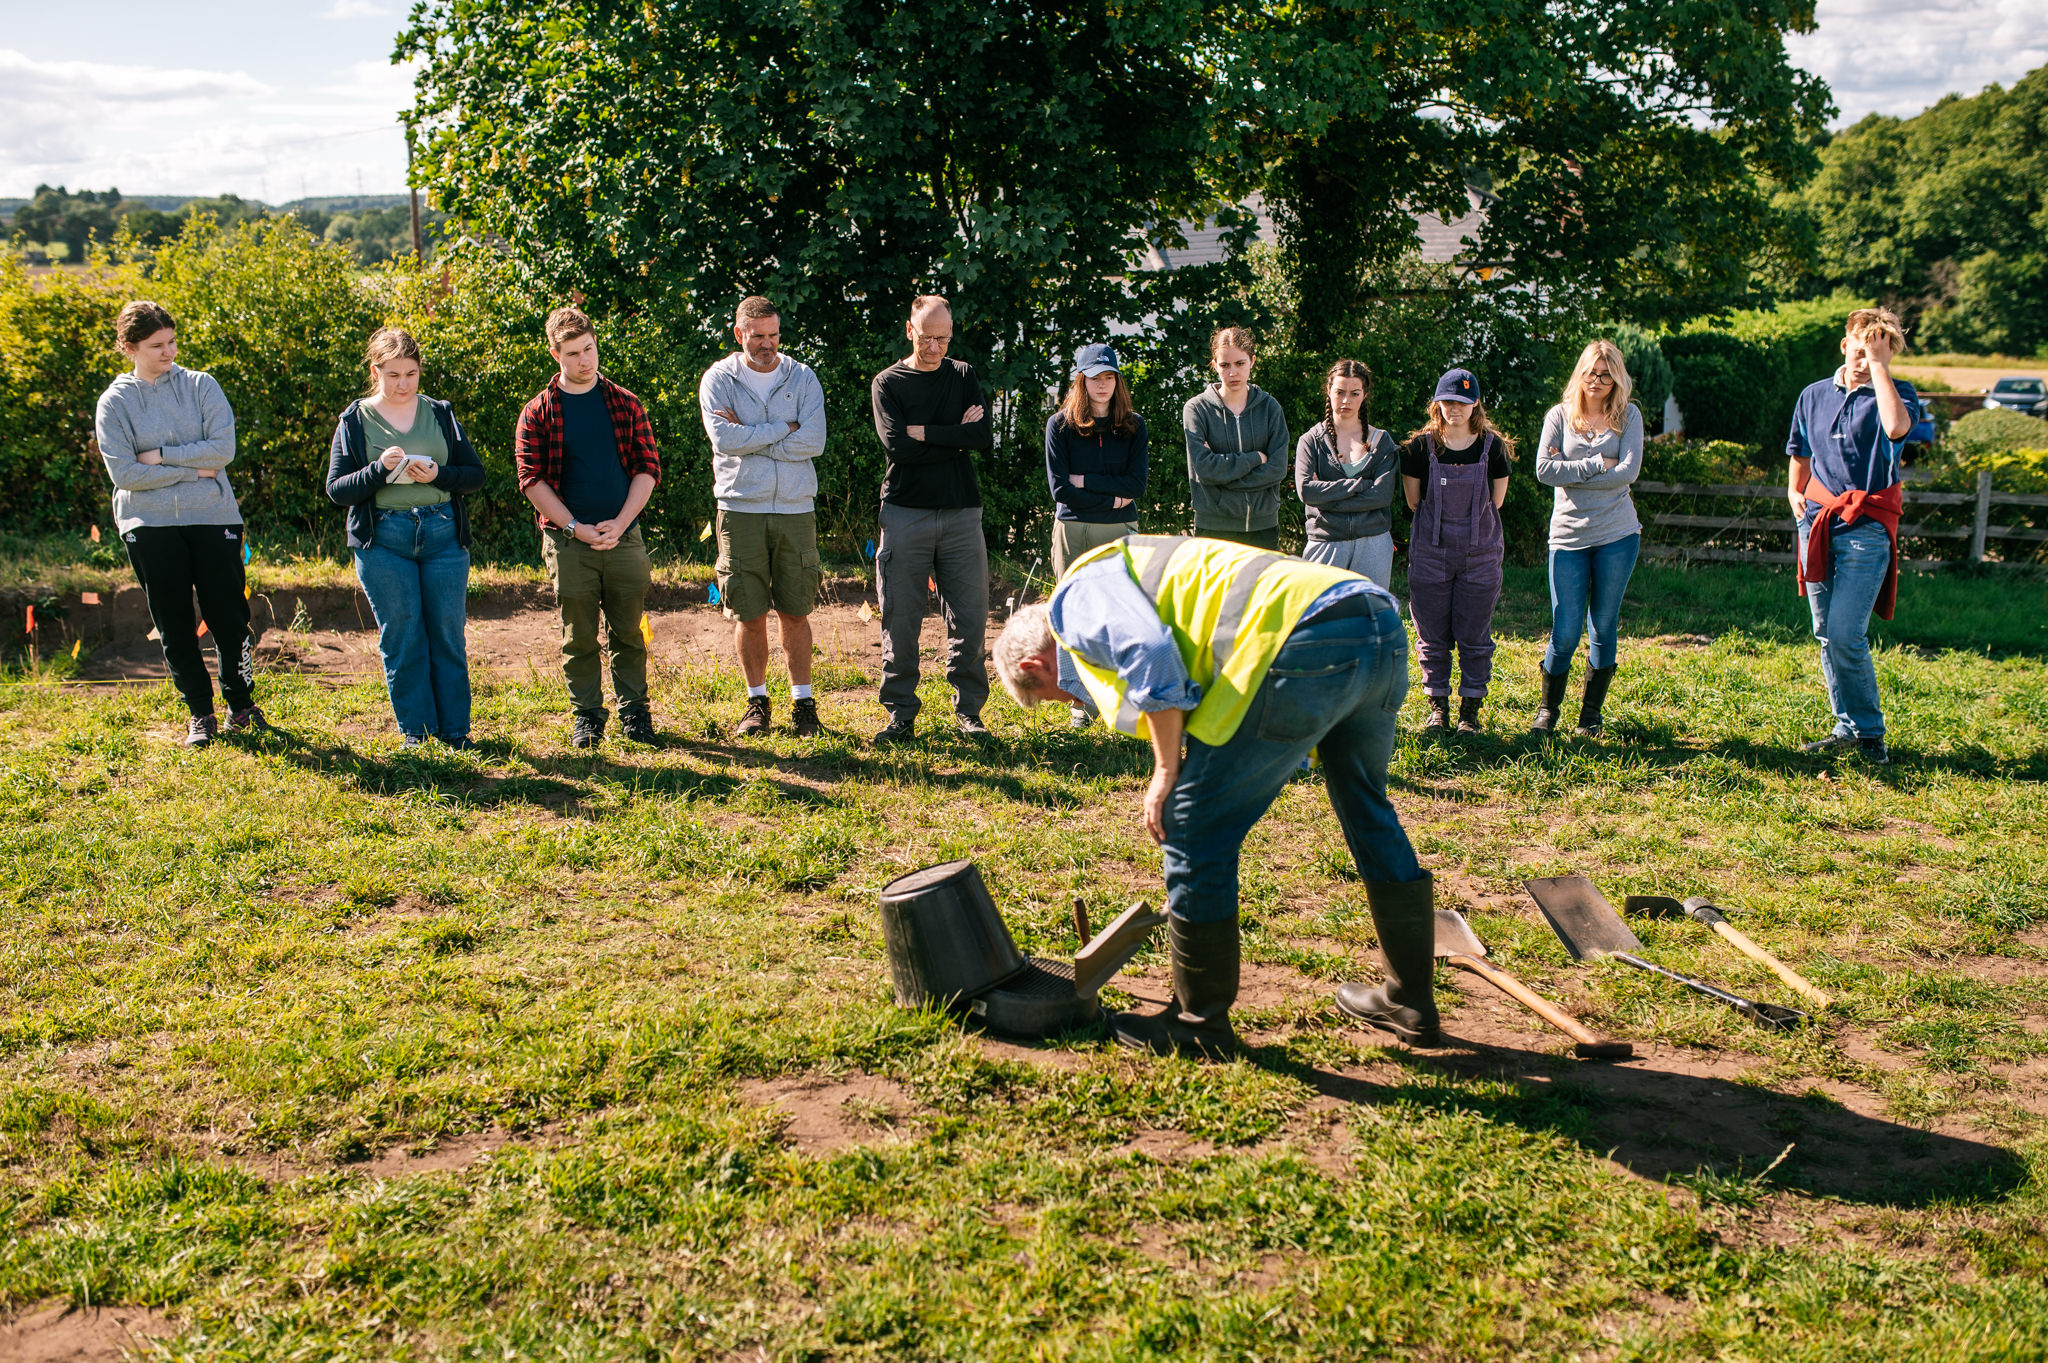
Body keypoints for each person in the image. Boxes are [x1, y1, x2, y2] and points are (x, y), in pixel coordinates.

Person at [992, 535, 1440, 1056]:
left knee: (1190, 825)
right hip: (1373, 622)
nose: (1074, 698)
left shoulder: (1076, 599)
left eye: (1054, 696)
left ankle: (1198, 1024)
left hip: (1303, 639)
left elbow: (1152, 653)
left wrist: (1165, 771)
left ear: (1035, 668)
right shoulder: (1126, 567)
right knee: (1367, 807)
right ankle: (1409, 1000)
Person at [93, 300, 261, 748]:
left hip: (213, 517)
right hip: (148, 524)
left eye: (171, 342)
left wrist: (163, 458)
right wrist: (194, 467)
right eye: (156, 345)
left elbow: (222, 451)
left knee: (229, 617)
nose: (168, 352)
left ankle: (241, 707)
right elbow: (125, 474)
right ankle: (200, 715)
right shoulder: (115, 402)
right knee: (174, 625)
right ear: (129, 347)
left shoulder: (201, 386)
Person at [325, 328, 487, 749]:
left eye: (411, 374)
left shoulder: (440, 412)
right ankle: (416, 732)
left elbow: (475, 476)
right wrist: (378, 470)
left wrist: (441, 476)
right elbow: (337, 489)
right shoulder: (354, 419)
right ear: (375, 371)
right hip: (384, 539)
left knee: (448, 633)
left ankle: (455, 733)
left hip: (442, 531)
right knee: (402, 635)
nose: (403, 384)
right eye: (393, 374)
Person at [514, 306, 663, 749]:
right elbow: (531, 479)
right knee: (577, 635)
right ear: (554, 354)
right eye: (574, 353)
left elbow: (647, 467)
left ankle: (635, 713)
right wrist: (575, 527)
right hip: (568, 541)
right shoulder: (538, 412)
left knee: (630, 631)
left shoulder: (625, 402)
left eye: (590, 349)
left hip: (624, 536)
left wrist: (621, 522)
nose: (585, 360)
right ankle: (588, 717)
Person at [1786, 306, 1917, 765]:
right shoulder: (1813, 394)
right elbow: (1799, 450)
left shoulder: (1897, 395)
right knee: (1825, 632)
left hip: (1866, 530)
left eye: (1876, 356)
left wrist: (1880, 370)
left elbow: (1895, 428)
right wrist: (1791, 489)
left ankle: (1870, 735)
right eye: (1860, 352)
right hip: (1817, 522)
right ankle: (1846, 727)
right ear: (1845, 345)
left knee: (1845, 633)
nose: (1864, 362)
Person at [699, 295, 828, 738]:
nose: (768, 345)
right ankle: (756, 703)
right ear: (739, 335)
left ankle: (803, 704)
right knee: (747, 612)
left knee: (796, 610)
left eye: (774, 335)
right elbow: (723, 439)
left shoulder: (802, 377)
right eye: (758, 337)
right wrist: (782, 429)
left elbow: (813, 442)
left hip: (795, 509)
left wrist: (751, 435)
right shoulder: (719, 378)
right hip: (739, 509)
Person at [868, 295, 994, 744]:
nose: (936, 347)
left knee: (971, 617)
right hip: (904, 512)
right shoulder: (888, 383)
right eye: (927, 338)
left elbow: (981, 436)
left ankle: (970, 713)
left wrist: (928, 432)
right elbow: (898, 447)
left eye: (943, 338)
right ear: (909, 331)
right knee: (900, 617)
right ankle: (901, 714)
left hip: (962, 510)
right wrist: (953, 435)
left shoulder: (963, 375)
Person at [1531, 339, 1644, 736]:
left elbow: (1628, 472)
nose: (1597, 381)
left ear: (1617, 380)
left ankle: (1590, 716)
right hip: (1567, 538)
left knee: (1603, 625)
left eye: (1606, 375)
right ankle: (1547, 712)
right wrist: (1599, 464)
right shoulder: (1559, 416)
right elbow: (1545, 471)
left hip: (1617, 534)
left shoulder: (1628, 417)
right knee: (1564, 629)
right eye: (1592, 373)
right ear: (1580, 373)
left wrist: (1573, 471)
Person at [1401, 368, 1512, 733]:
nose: (1456, 409)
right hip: (1431, 553)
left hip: (1480, 554)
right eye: (1448, 401)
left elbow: (1496, 501)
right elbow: (1414, 501)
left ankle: (1470, 711)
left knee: (1474, 634)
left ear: (1475, 403)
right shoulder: (1420, 448)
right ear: (1437, 403)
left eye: (1463, 402)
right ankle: (1438, 707)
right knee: (1431, 634)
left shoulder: (1492, 447)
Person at [1295, 359, 1400, 587]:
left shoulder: (1381, 441)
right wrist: (1360, 485)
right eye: (1339, 392)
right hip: (1326, 542)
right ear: (1328, 391)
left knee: (1369, 617)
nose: (1346, 400)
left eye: (1354, 393)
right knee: (1319, 617)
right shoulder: (1310, 441)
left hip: (1373, 544)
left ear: (1365, 395)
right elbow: (1306, 492)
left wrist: (1327, 497)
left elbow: (1381, 496)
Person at [1182, 327, 1290, 549]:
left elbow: (1278, 468)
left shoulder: (1269, 408)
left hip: (1263, 528)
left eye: (1240, 363)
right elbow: (1205, 469)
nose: (1233, 373)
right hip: (1214, 527)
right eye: (1224, 365)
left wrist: (1224, 479)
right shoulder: (1197, 409)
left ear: (1252, 361)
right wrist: (1255, 459)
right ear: (1214, 365)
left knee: (1260, 586)